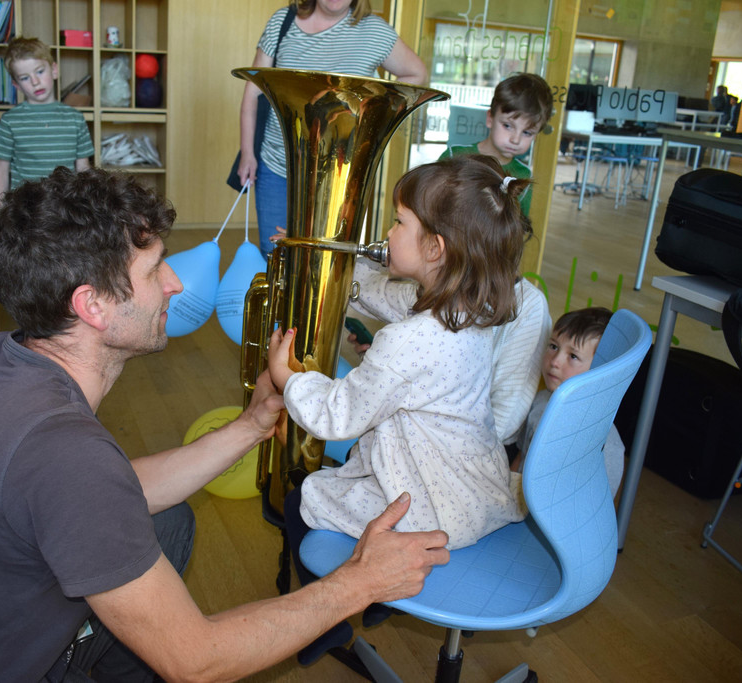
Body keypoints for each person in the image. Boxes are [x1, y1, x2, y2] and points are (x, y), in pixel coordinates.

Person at [0, 167, 450, 682]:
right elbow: (197, 661)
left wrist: (251, 425)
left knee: (167, 522)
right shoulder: (63, 454)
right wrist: (359, 582)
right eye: (155, 269)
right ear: (91, 305)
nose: (175, 283)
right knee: (173, 608)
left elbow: (106, 494)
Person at [270, 155, 532, 553]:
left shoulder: (408, 342)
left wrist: (287, 378)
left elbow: (337, 414)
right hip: (471, 488)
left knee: (303, 500)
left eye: (398, 222)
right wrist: (320, 257)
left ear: (434, 248)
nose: (389, 232)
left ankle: (351, 588)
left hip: (428, 507)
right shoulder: (468, 308)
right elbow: (381, 293)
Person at [237, 0, 427, 256]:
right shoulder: (282, 22)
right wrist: (247, 153)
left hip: (339, 174)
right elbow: (253, 91)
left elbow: (417, 74)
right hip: (278, 166)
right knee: (274, 253)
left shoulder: (375, 31)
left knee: (326, 259)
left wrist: (376, 108)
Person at [511, 307, 625, 499]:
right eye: (553, 346)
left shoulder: (604, 441)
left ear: (600, 371)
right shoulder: (541, 399)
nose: (555, 361)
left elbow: (599, 503)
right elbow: (521, 458)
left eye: (573, 356)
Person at [0, 36, 93, 209]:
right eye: (25, 78)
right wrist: (2, 212)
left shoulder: (75, 118)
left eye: (39, 71)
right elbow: (0, 170)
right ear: (16, 85)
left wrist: (87, 206)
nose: (35, 82)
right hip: (25, 208)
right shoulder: (10, 120)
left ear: (54, 70)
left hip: (66, 207)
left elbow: (83, 168)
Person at [440, 72, 553, 216]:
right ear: (490, 118)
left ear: (536, 135)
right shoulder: (454, 156)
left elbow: (520, 225)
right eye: (507, 126)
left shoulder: (523, 175)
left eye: (527, 132)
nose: (515, 139)